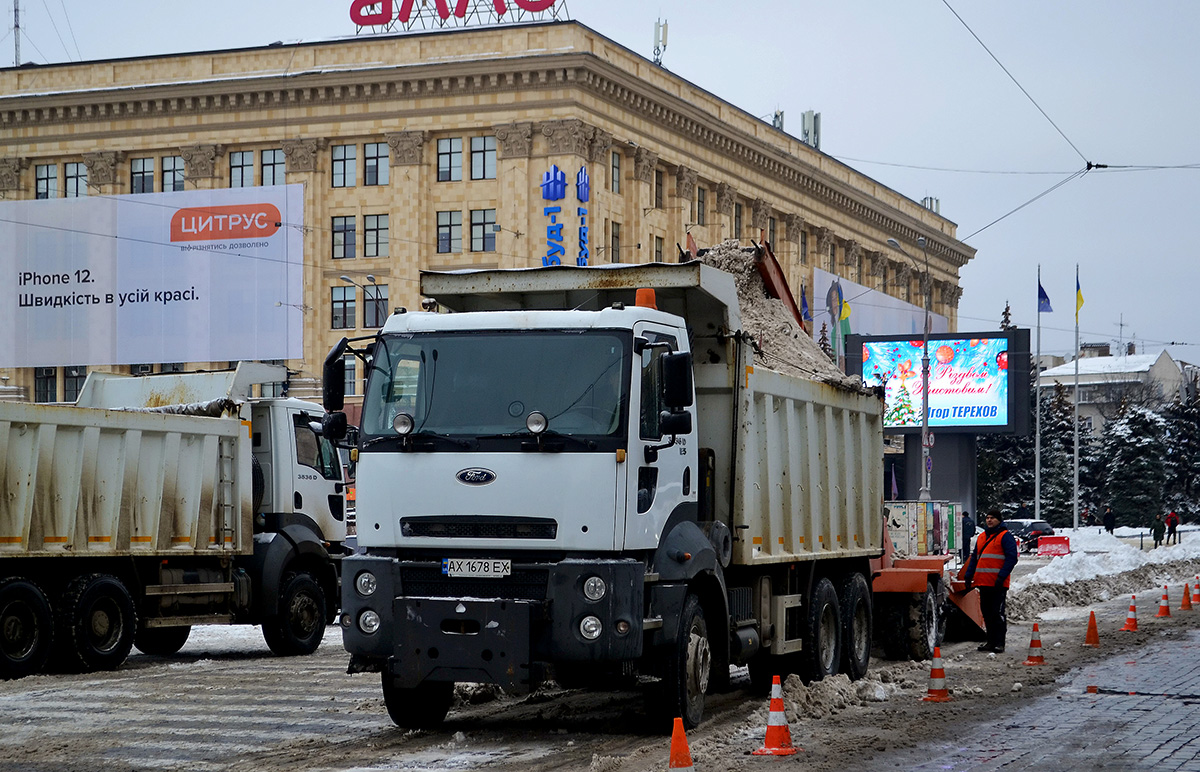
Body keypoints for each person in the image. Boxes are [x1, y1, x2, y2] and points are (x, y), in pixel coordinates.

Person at [964, 509, 1018, 653]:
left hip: (998, 583)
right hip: (983, 582)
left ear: (999, 520)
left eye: (992, 518)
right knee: (986, 613)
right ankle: (990, 641)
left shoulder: (1005, 537)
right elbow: (975, 558)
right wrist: (968, 576)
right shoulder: (981, 537)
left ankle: (999, 642)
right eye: (987, 518)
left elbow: (1012, 558)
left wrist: (1001, 576)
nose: (989, 520)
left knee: (997, 613)